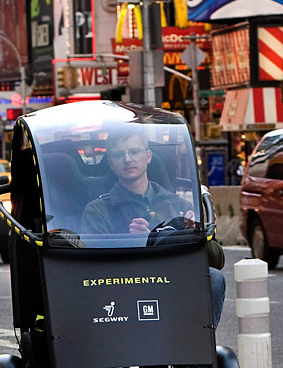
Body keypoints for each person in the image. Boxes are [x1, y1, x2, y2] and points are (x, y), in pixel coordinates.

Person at [81, 125, 226, 326]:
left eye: (134, 151)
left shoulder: (179, 204)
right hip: (122, 287)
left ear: (148, 156)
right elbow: (90, 267)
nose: (127, 159)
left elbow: (217, 259)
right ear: (111, 164)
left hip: (173, 283)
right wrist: (133, 241)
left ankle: (197, 346)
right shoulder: (97, 209)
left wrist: (195, 234)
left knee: (215, 278)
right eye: (119, 154)